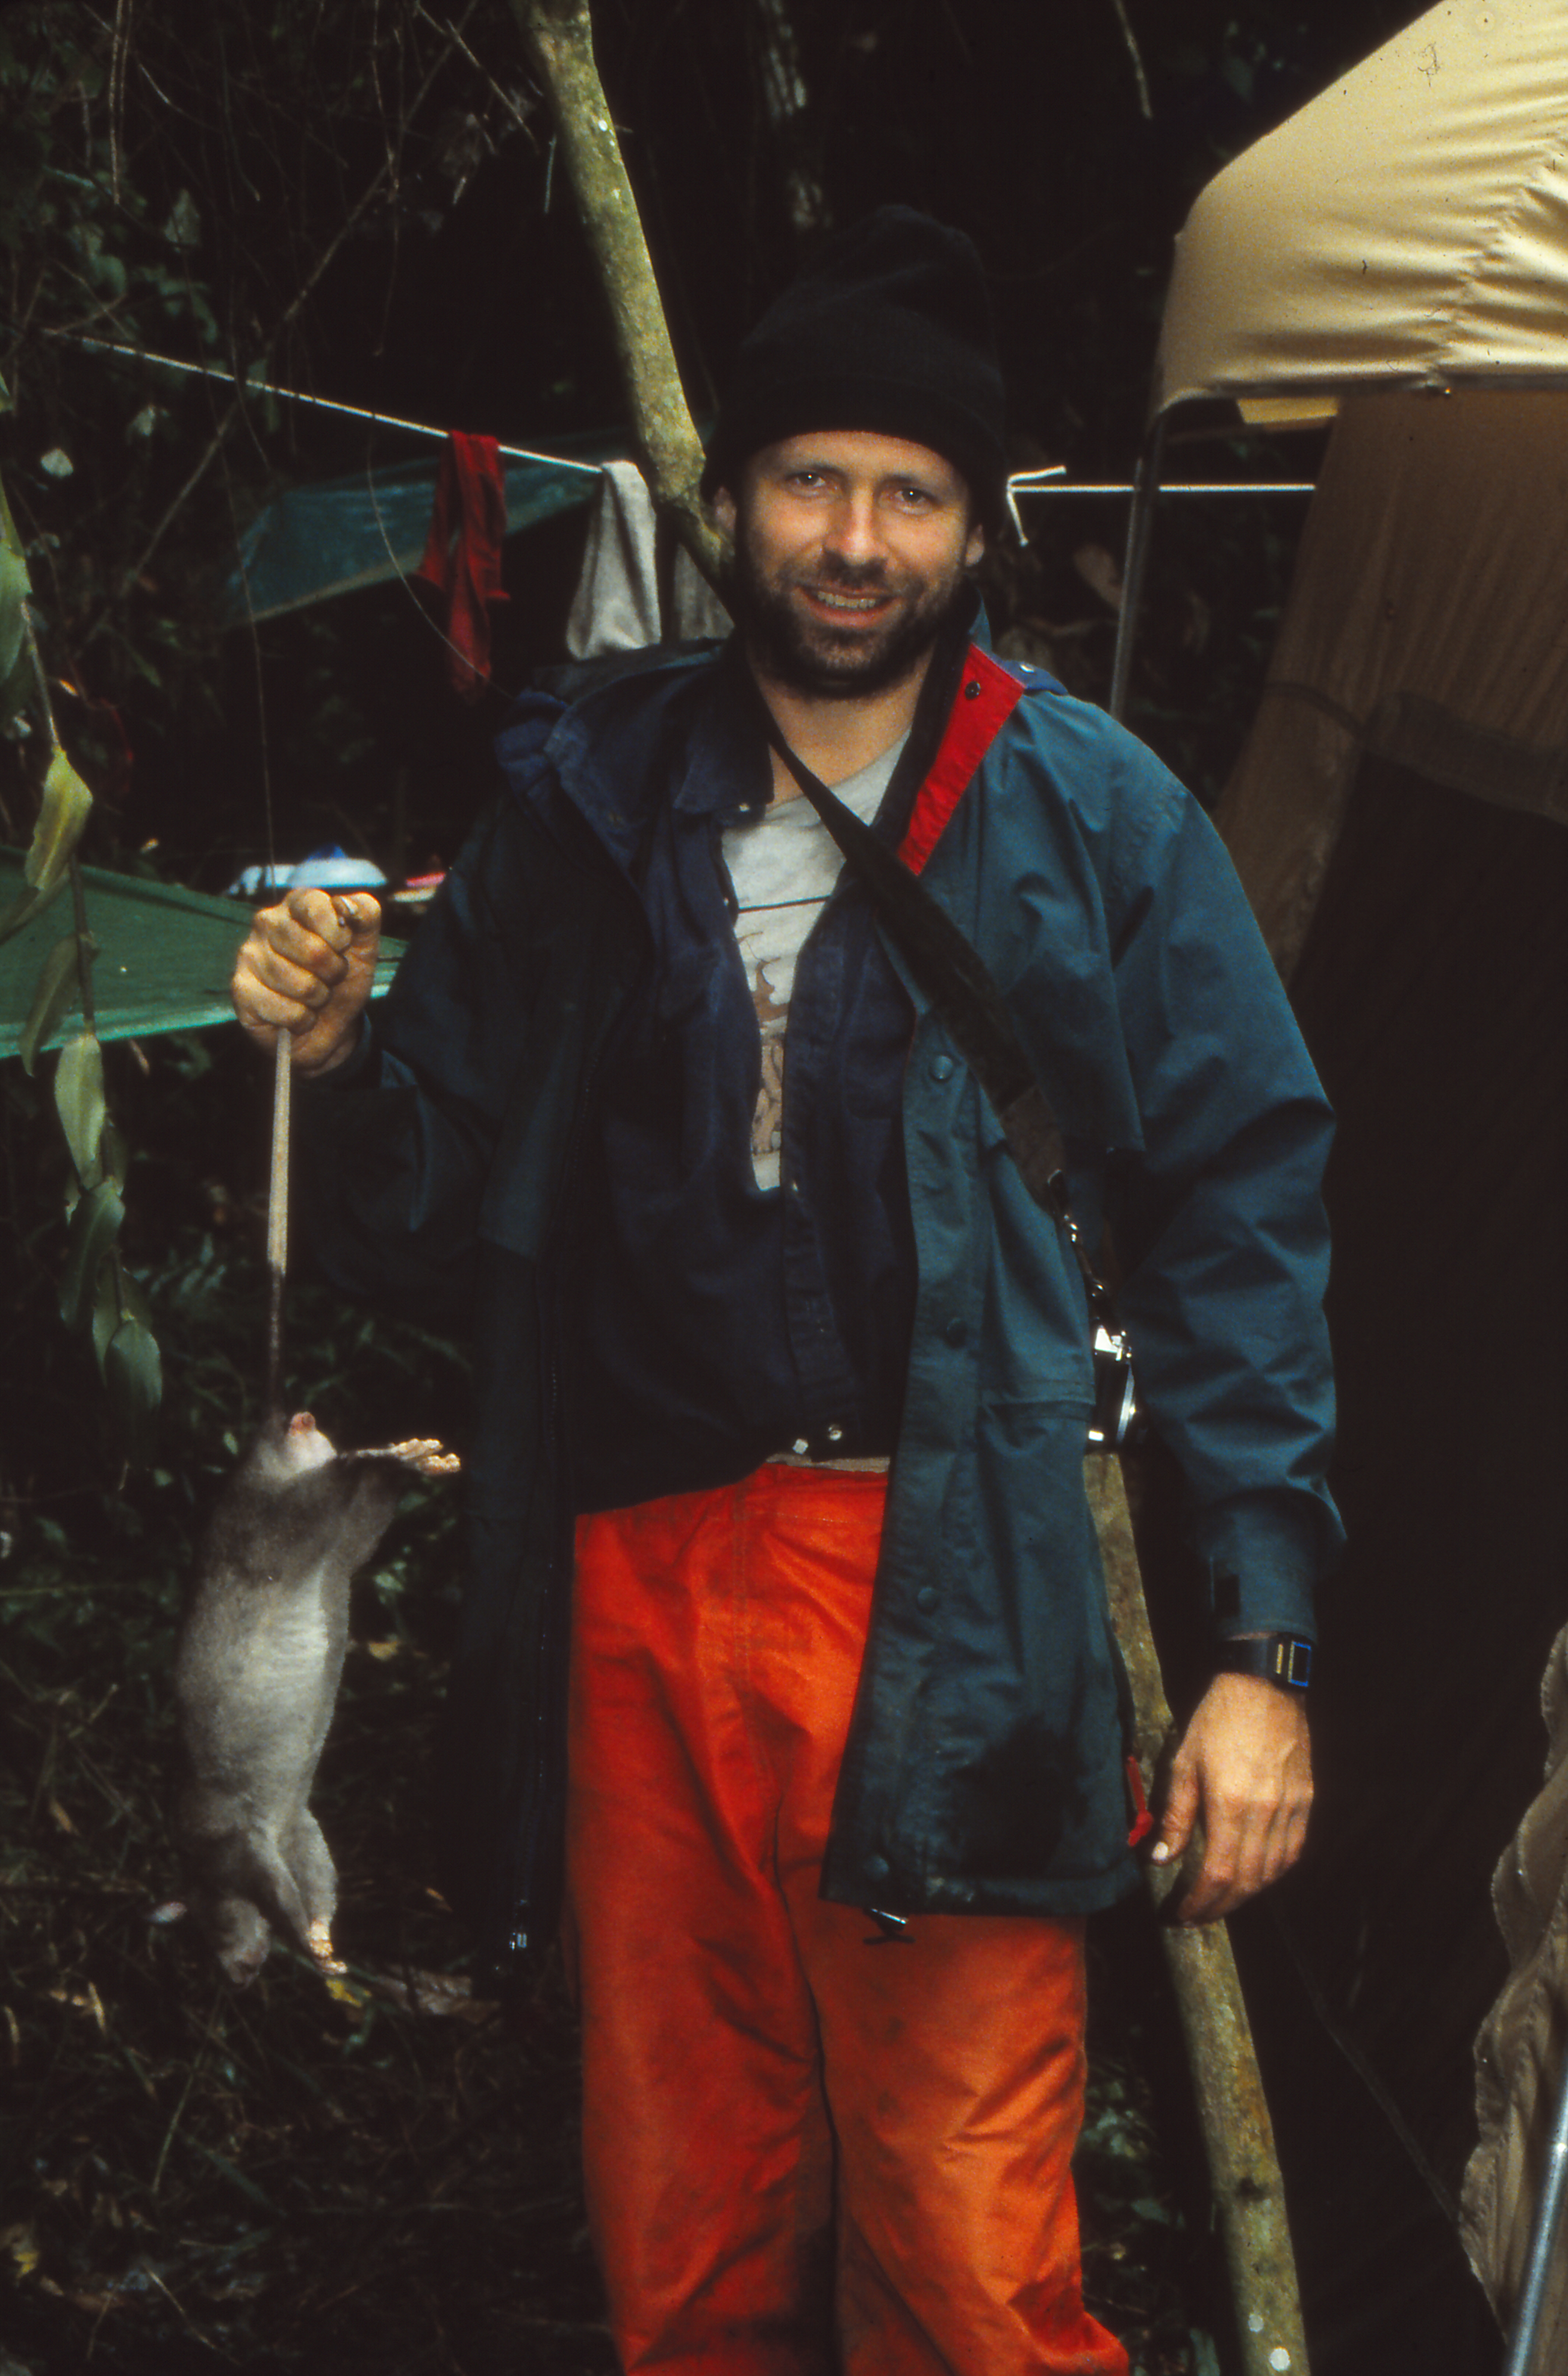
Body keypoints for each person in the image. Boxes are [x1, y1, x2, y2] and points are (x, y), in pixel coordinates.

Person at [232, 208, 1340, 2376]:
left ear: (979, 526)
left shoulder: (1093, 819)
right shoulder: (587, 790)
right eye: (813, 482)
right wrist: (342, 1050)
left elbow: (1244, 1219)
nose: (855, 539)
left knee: (965, 2241)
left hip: (964, 1587)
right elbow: (431, 1206)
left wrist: (1264, 1651)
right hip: (643, 1576)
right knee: (692, 2205)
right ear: (726, 501)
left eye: (910, 493)